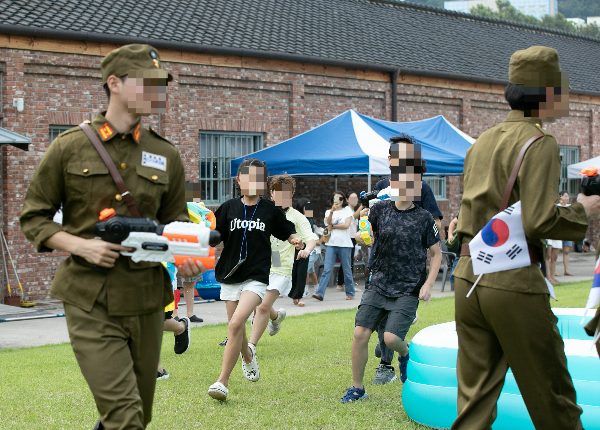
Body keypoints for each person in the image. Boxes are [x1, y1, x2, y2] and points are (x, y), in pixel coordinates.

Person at [19, 44, 205, 429]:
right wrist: (79, 244)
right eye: (148, 82)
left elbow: (176, 226)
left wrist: (188, 256)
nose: (159, 90)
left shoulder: (165, 154)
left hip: (148, 299)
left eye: (161, 83)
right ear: (115, 83)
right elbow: (33, 218)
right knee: (125, 417)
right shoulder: (69, 147)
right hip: (90, 299)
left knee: (137, 414)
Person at [451, 46, 600, 430]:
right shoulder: (541, 142)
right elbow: (537, 221)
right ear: (546, 93)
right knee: (554, 398)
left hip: (468, 276)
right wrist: (585, 209)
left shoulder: (481, 141)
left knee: (474, 402)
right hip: (512, 277)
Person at [340, 135, 442, 403]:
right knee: (361, 332)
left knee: (391, 337)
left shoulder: (423, 207)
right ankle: (358, 387)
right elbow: (363, 230)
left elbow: (436, 247)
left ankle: (402, 355)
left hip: (408, 282)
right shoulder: (382, 199)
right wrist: (362, 233)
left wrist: (428, 284)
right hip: (379, 277)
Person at [207, 159, 303, 401]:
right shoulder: (228, 207)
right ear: (238, 180)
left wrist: (294, 238)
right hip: (230, 275)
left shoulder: (270, 210)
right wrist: (201, 228)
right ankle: (248, 357)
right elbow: (214, 237)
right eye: (247, 177)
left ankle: (222, 382)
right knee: (235, 327)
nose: (252, 182)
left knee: (236, 323)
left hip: (257, 277)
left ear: (263, 183)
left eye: (258, 178)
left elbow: (286, 228)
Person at [371, 144, 443, 382]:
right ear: (389, 159)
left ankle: (386, 363)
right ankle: (387, 353)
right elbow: (369, 221)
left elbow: (436, 225)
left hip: (409, 269)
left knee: (390, 329)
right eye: (396, 156)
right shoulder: (381, 187)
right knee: (378, 318)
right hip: (381, 264)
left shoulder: (421, 186)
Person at [249, 175, 316, 346]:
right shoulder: (262, 211)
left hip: (281, 266)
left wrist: (306, 250)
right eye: (278, 193)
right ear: (271, 193)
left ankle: (251, 347)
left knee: (262, 306)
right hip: (261, 264)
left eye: (286, 193)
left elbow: (310, 238)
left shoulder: (297, 217)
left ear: (292, 194)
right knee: (257, 302)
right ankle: (276, 317)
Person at [313, 191, 356, 301]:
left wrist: (333, 226)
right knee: (327, 269)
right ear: (332, 200)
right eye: (336, 199)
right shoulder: (328, 211)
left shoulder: (347, 211)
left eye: (341, 198)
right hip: (331, 244)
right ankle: (320, 293)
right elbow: (327, 223)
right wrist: (332, 211)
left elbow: (346, 225)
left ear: (343, 200)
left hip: (345, 244)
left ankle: (350, 292)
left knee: (347, 269)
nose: (338, 201)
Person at [336, 192, 368, 291]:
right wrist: (362, 206)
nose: (355, 201)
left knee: (349, 262)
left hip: (352, 238)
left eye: (356, 199)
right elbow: (353, 217)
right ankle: (342, 284)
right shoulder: (347, 210)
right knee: (347, 262)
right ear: (347, 199)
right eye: (352, 198)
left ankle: (345, 284)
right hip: (347, 238)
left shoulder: (352, 210)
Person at [291, 197, 320, 306]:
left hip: (305, 249)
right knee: (294, 272)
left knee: (302, 272)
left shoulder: (309, 220)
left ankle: (300, 296)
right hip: (295, 246)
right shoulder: (297, 217)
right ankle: (295, 295)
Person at [559, 190, 575, 276]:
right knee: (555, 252)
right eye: (565, 196)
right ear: (560, 197)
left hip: (567, 230)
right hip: (558, 231)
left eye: (568, 196)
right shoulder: (557, 207)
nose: (567, 198)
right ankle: (553, 271)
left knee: (566, 251)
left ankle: (566, 270)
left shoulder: (570, 207)